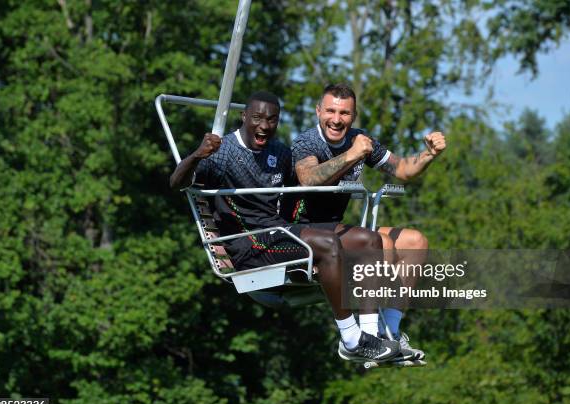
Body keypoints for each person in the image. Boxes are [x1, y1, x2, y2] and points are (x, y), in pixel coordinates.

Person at [170, 91, 403, 363]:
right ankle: (351, 338)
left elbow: (305, 185)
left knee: (368, 240)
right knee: (329, 245)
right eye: (257, 118)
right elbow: (177, 182)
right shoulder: (222, 153)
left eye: (272, 119)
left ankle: (370, 336)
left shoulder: (279, 151)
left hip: (280, 231)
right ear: (243, 116)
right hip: (252, 243)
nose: (264, 126)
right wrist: (198, 155)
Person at [285, 83, 447, 360]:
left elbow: (403, 169)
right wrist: (352, 155)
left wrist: (429, 155)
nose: (336, 119)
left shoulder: (359, 139)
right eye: (331, 111)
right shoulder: (306, 142)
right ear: (318, 111)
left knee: (415, 242)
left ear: (354, 115)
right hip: (303, 231)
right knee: (380, 241)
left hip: (338, 229)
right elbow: (309, 178)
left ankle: (390, 334)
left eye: (345, 113)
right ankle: (367, 337)